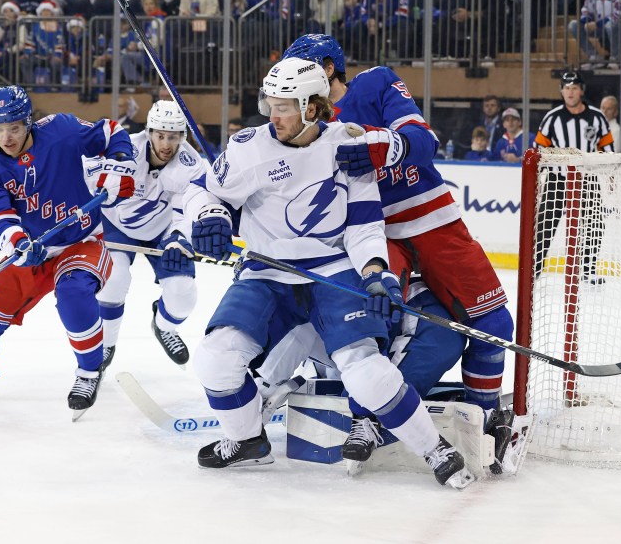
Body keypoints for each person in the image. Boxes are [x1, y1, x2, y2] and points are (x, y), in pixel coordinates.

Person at [184, 58, 473, 488]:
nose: (271, 114)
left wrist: (377, 274)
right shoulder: (248, 148)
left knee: (366, 372)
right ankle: (247, 440)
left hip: (334, 271)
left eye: (284, 106)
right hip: (267, 271)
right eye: (270, 103)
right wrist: (210, 217)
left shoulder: (348, 147)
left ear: (313, 108)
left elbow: (364, 227)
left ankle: (434, 449)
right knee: (216, 361)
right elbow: (203, 191)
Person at [279, 34, 514, 464]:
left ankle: (482, 420)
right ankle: (365, 415)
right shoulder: (300, 122)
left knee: (494, 323)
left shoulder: (375, 84)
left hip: (431, 220)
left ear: (328, 69)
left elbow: (425, 144)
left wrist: (382, 145)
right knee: (374, 314)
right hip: (371, 231)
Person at [0, 86, 137, 418]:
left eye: (13, 127)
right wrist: (16, 242)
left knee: (73, 294)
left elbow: (111, 132)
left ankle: (88, 372)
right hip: (32, 252)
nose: (7, 136)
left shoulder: (62, 131)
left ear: (29, 122)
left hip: (81, 240)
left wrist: (119, 164)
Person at [94, 101, 209, 367]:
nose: (166, 144)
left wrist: (180, 237)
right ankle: (105, 343)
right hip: (117, 225)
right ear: (149, 132)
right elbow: (94, 183)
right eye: (160, 135)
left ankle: (164, 325)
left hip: (166, 230)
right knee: (114, 279)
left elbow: (190, 208)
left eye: (173, 136)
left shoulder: (192, 166)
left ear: (182, 136)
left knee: (183, 295)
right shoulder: (124, 151)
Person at [533, 70, 615, 280]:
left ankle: (587, 270)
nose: (570, 92)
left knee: (594, 223)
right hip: (557, 180)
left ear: (582, 91)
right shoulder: (552, 118)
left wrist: (610, 175)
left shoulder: (597, 117)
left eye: (574, 88)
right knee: (545, 225)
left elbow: (607, 149)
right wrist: (537, 178)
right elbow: (538, 151)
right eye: (566, 88)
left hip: (587, 180)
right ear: (561, 91)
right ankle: (535, 270)